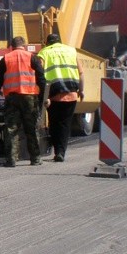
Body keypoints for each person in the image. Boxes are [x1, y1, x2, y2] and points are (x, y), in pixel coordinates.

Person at [0, 36, 47, 167]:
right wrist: (44, 98)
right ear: (24, 45)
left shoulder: (6, 58)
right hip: (29, 97)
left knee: (11, 128)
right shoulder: (32, 57)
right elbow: (41, 78)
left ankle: (11, 159)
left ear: (11, 46)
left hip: (12, 98)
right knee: (31, 127)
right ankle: (35, 158)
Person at [37, 33, 84, 162]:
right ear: (59, 41)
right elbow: (81, 73)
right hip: (71, 93)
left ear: (47, 43)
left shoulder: (44, 52)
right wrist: (82, 90)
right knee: (65, 124)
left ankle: (57, 150)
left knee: (54, 123)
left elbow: (40, 75)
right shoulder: (71, 51)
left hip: (53, 96)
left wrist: (42, 95)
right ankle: (61, 152)